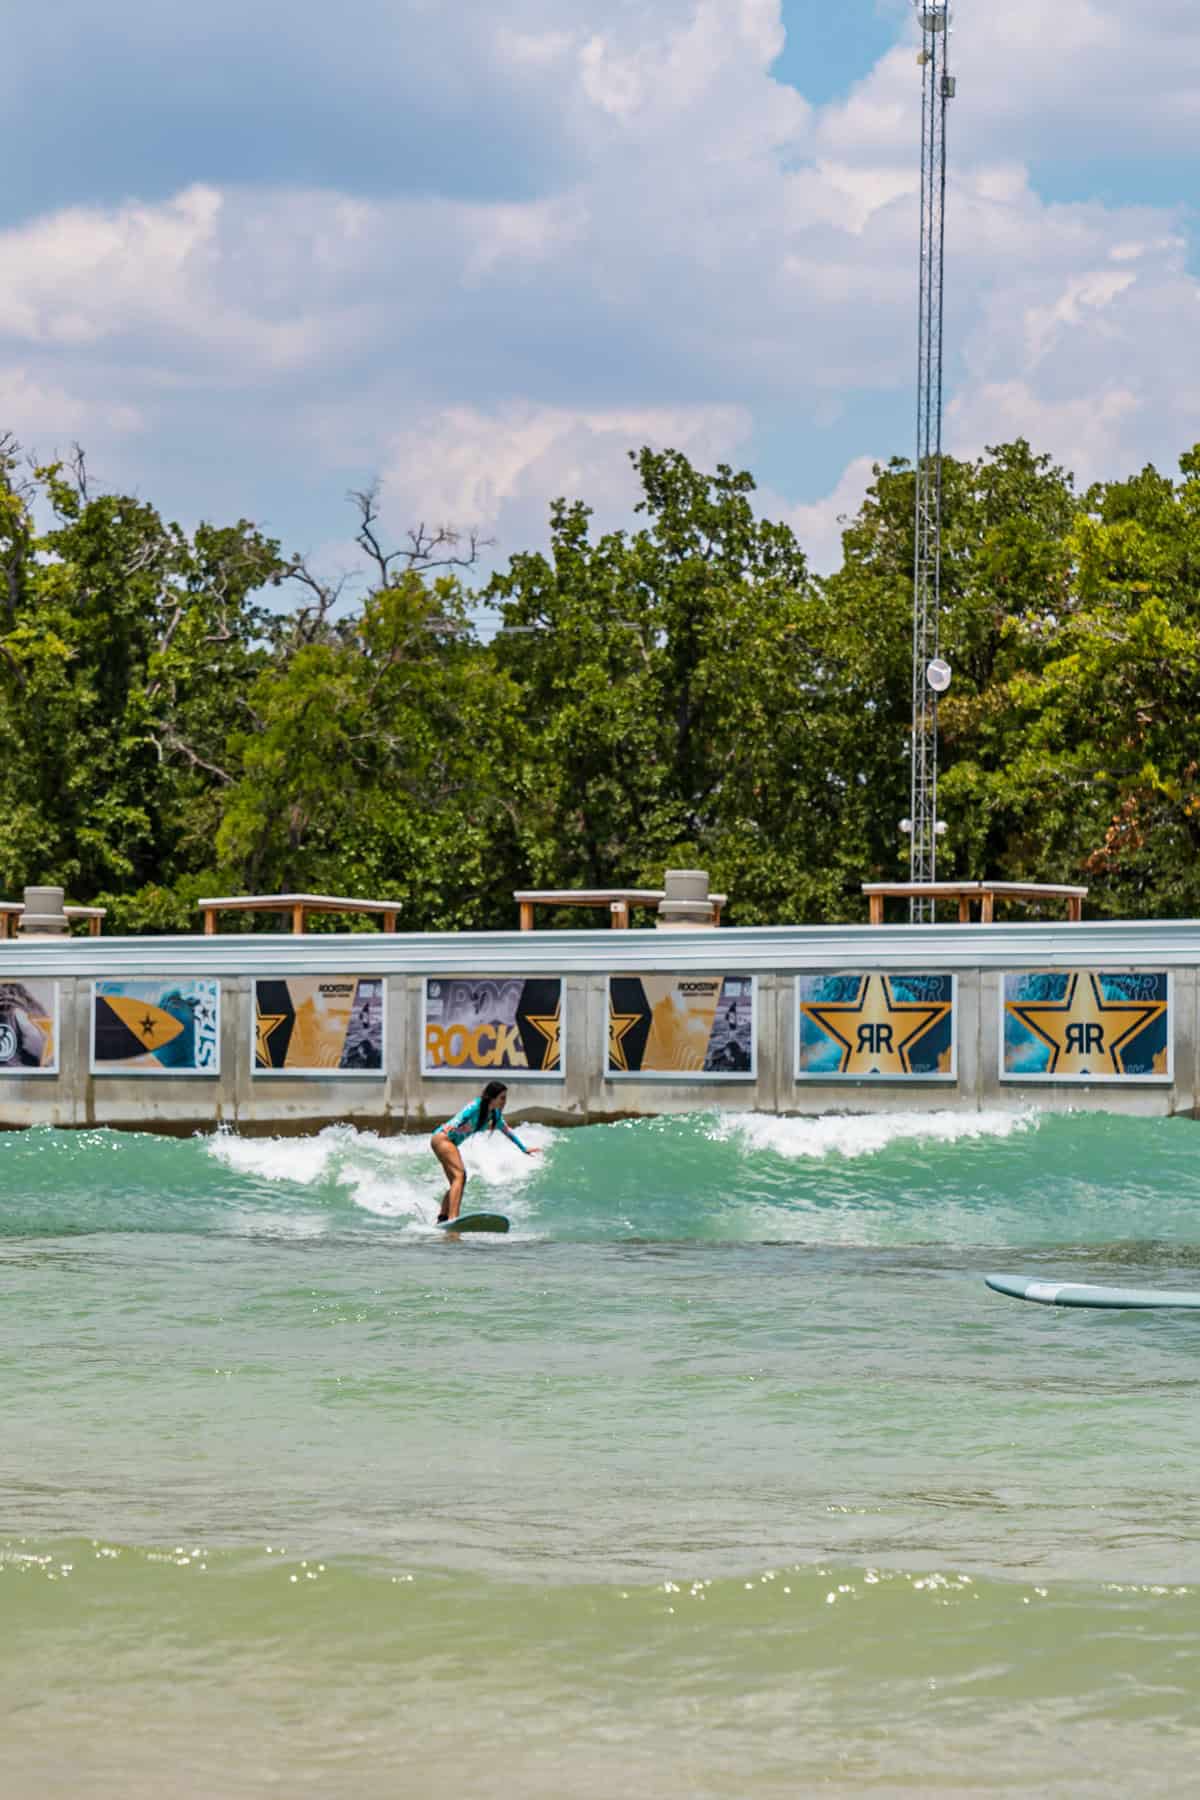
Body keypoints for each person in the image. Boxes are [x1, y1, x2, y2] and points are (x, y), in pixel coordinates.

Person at [430, 1080, 540, 1222]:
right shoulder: (477, 1105)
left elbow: (508, 1132)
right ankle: (453, 1218)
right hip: (442, 1138)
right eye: (502, 1098)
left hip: (447, 1142)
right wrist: (453, 1125)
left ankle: (443, 1217)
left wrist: (523, 1148)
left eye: (505, 1098)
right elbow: (463, 1115)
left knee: (457, 1181)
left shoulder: (495, 1116)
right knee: (460, 1175)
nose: (504, 1102)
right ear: (492, 1097)